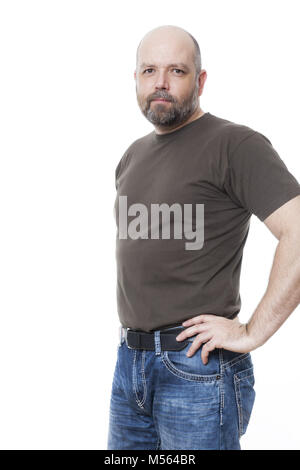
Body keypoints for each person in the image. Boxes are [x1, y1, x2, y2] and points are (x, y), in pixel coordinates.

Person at [107, 24, 300, 450]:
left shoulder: (235, 145)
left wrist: (252, 331)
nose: (160, 83)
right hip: (130, 365)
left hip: (195, 366)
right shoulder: (131, 157)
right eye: (148, 71)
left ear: (201, 80)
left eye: (176, 70)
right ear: (135, 79)